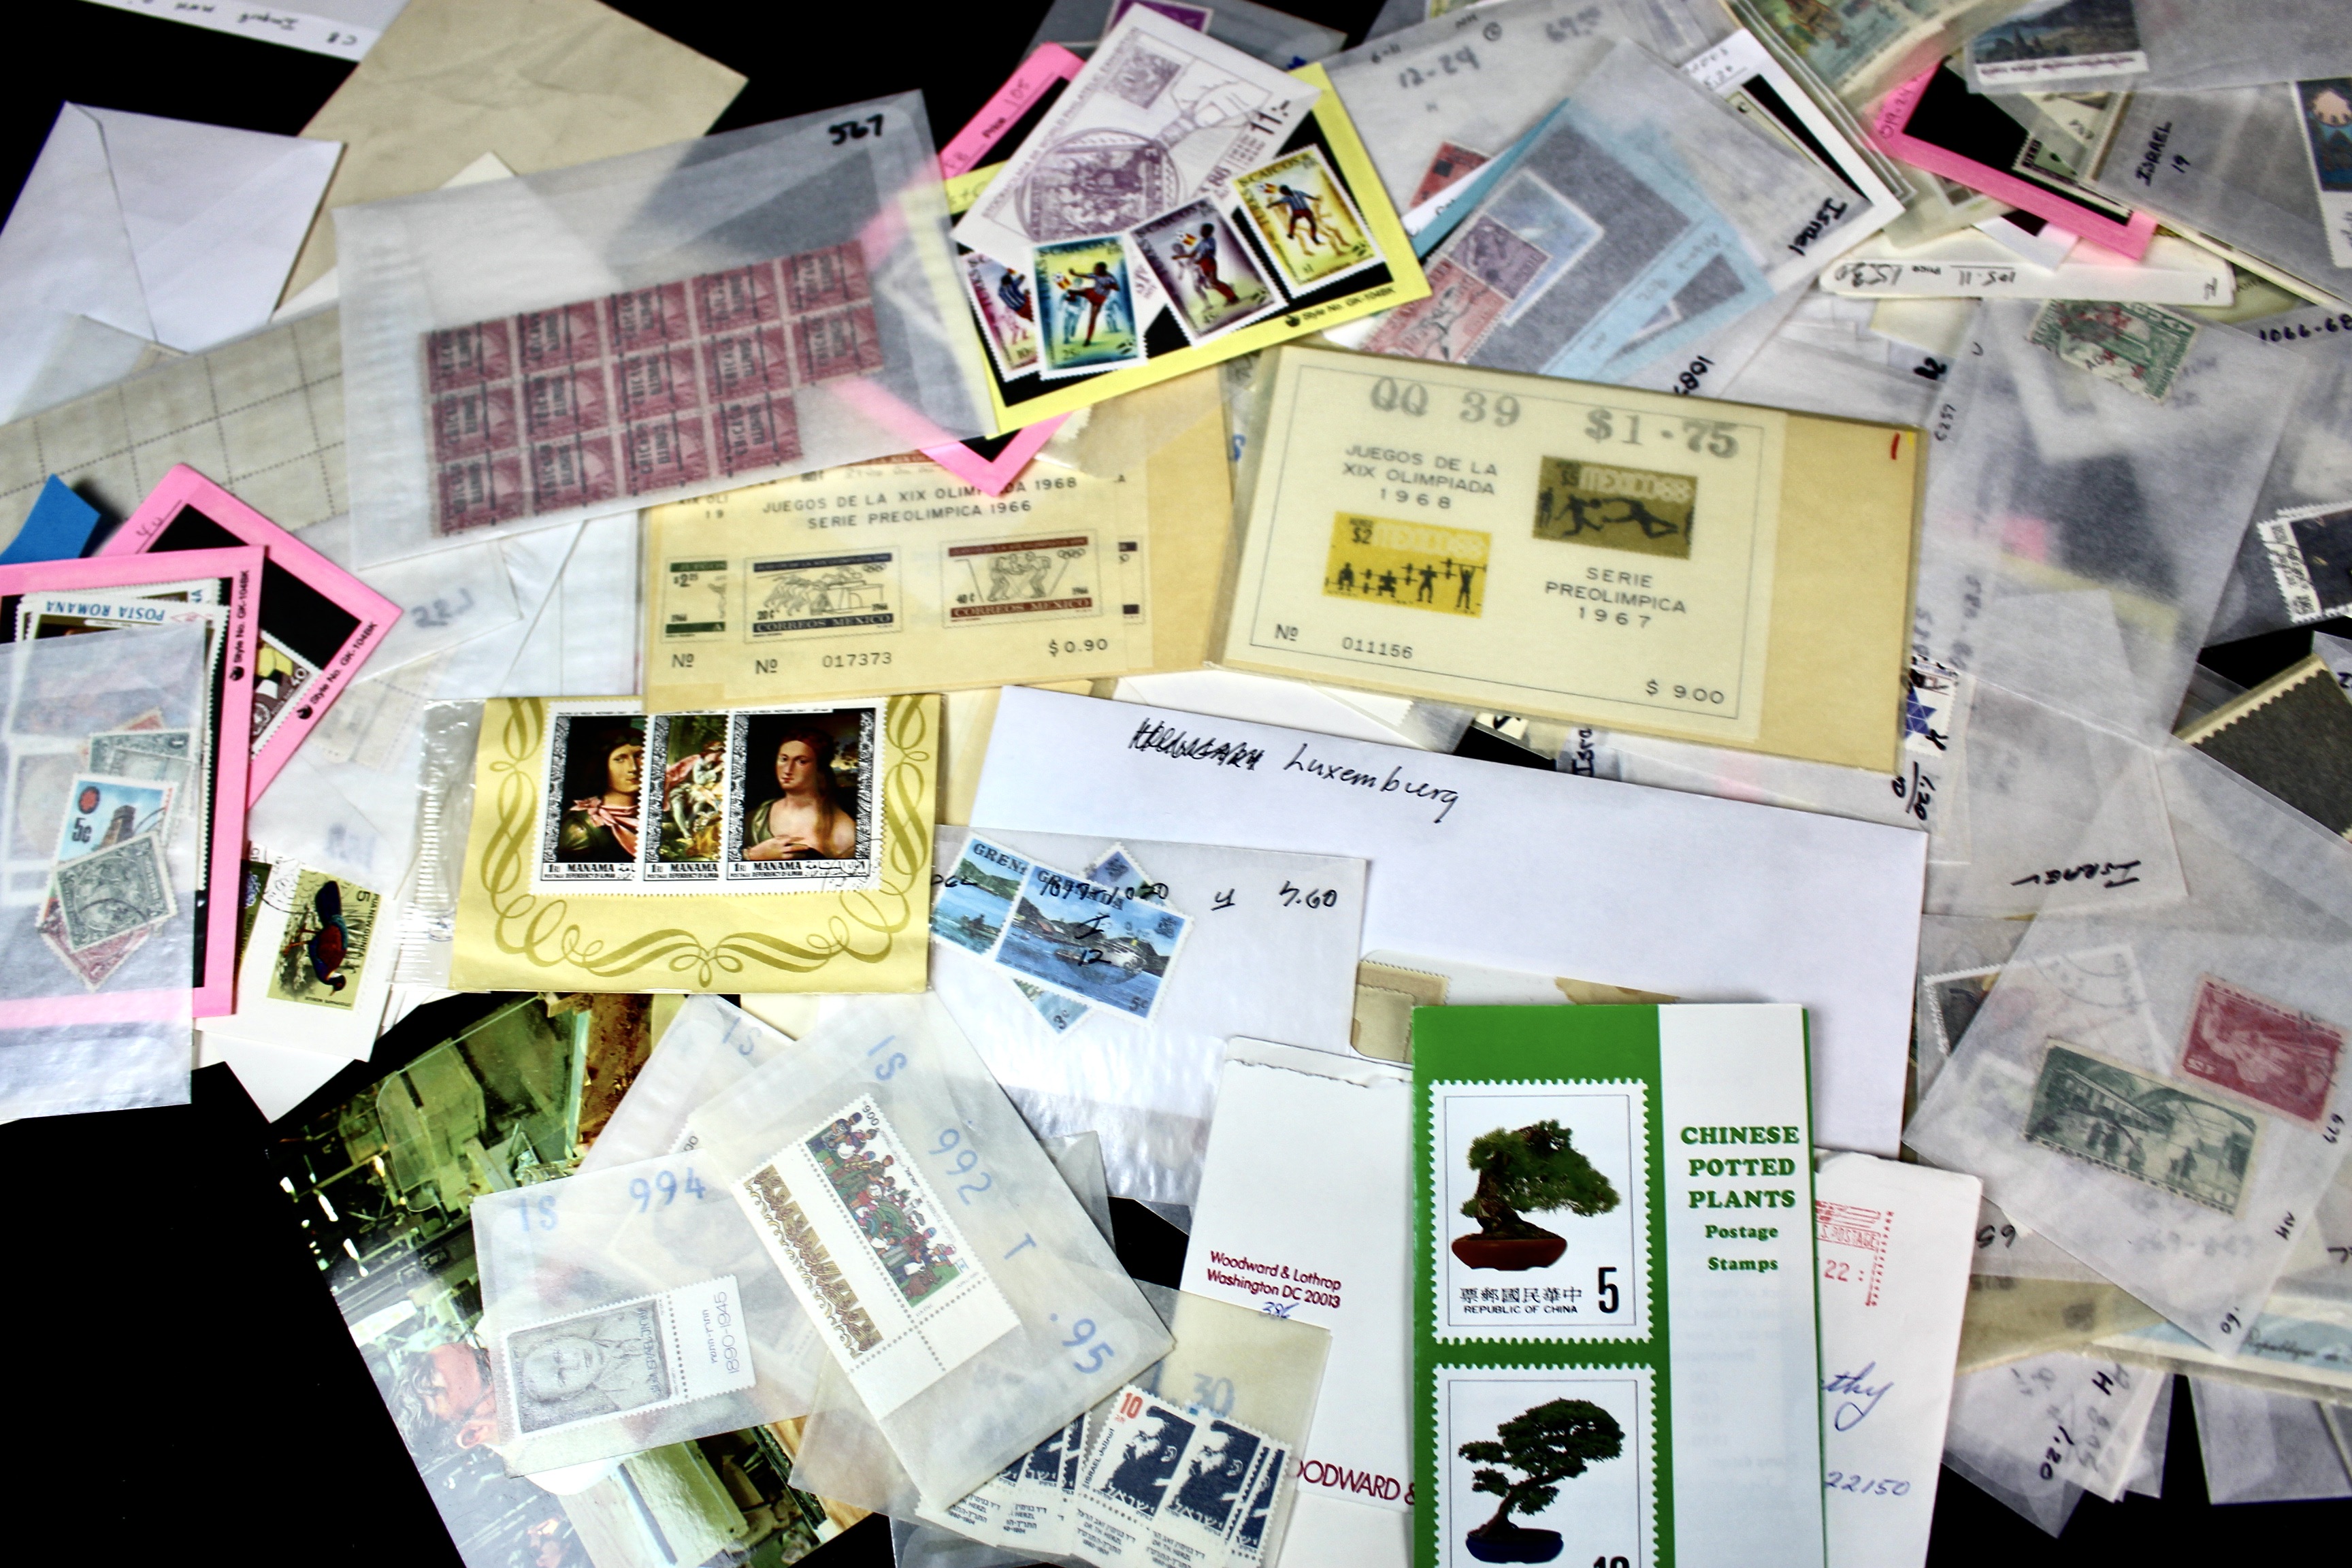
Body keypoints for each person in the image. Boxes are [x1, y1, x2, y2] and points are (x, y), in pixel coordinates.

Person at [742, 727, 857, 860]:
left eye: (801, 761)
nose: (788, 769)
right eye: (784, 759)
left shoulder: (843, 830)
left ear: (819, 769)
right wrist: (751, 855)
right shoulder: (757, 817)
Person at [557, 727, 642, 861]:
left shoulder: (655, 815)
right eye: (620, 759)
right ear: (602, 766)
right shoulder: (580, 830)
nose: (633, 768)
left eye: (639, 756)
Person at [1172, 223, 1239, 306]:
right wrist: (1179, 262)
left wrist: (1200, 259)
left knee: (1213, 283)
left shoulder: (1210, 240)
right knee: (1210, 285)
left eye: (1203, 230)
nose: (1201, 231)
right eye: (1201, 230)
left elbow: (1209, 252)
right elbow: (1190, 257)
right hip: (1202, 266)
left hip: (1206, 265)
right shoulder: (1201, 243)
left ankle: (1232, 297)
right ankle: (1229, 297)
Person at [1260, 180, 1325, 249]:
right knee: (1293, 220)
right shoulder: (1287, 198)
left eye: (1283, 193)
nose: (1283, 194)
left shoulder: (1298, 192)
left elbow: (1307, 196)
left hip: (1305, 210)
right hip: (1297, 211)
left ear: (1287, 190)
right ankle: (1291, 234)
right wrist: (1271, 204)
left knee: (1313, 223)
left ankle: (1314, 238)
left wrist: (1315, 199)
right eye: (1282, 193)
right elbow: (1279, 202)